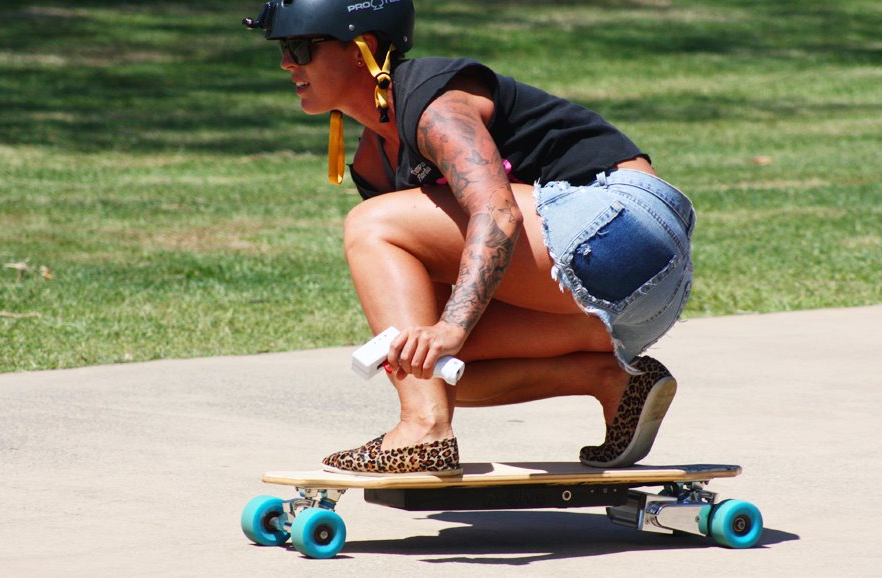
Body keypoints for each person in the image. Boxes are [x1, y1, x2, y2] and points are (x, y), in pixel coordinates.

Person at [244, 0, 695, 476]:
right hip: (635, 297)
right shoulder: (373, 159)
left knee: (371, 226)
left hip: (622, 222)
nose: (286, 64)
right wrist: (442, 336)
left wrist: (454, 327)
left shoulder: (431, 100)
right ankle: (613, 381)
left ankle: (423, 430)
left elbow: (497, 212)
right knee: (425, 365)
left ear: (364, 49)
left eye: (299, 48)